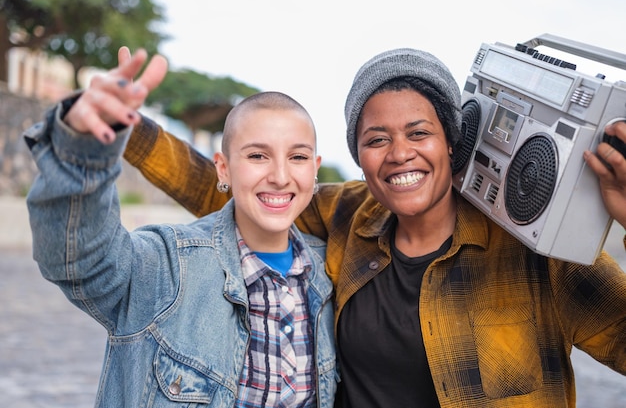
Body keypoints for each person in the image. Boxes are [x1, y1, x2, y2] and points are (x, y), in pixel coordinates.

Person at [73, 48, 626, 407]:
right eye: (376, 138)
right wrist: (125, 126)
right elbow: (233, 189)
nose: (400, 154)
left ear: (452, 141)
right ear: (358, 154)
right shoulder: (346, 215)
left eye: (419, 133)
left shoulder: (539, 255)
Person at [25, 49, 337, 408]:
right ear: (223, 169)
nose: (280, 177)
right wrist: (82, 152)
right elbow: (81, 260)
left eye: (297, 157)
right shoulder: (167, 265)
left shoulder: (331, 273)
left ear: (315, 169)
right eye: (257, 156)